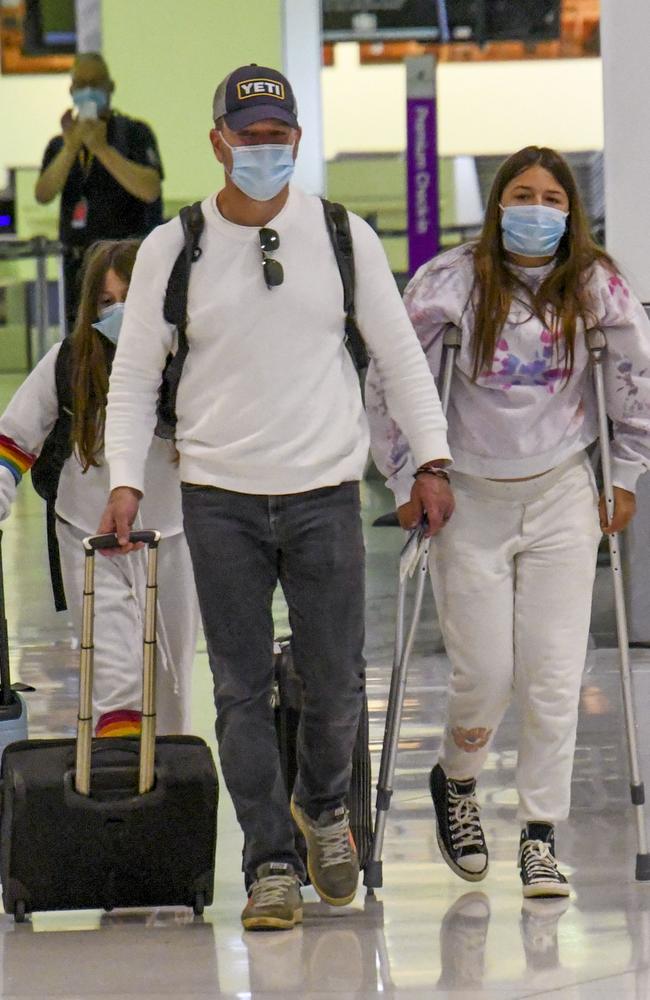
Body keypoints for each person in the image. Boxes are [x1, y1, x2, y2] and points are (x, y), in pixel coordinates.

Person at [97, 63, 454, 931]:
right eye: (249, 135)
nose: (266, 149)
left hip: (325, 489)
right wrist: (124, 483)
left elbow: (399, 353)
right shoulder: (170, 248)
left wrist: (432, 459)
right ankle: (269, 862)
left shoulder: (341, 234)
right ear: (217, 139)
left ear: (297, 137)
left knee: (335, 685)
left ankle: (325, 808)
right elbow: (137, 375)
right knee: (241, 689)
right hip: (217, 493)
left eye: (279, 135)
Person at [367, 145, 650, 899]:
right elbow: (393, 378)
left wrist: (623, 475)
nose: (537, 209)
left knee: (554, 675)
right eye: (522, 194)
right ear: (497, 204)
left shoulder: (597, 285)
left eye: (552, 198)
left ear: (570, 212)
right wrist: (407, 473)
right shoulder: (449, 282)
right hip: (469, 494)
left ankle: (540, 835)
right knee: (486, 675)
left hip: (561, 489)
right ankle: (456, 778)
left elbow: (633, 381)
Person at [0, 239, 198, 737]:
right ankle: (122, 792)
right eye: (107, 302)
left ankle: (170, 796)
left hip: (174, 538)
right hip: (90, 543)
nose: (120, 311)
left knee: (171, 689)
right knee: (116, 680)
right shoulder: (66, 362)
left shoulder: (190, 363)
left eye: (131, 295)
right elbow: (12, 441)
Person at [35, 53, 164, 325]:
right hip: (79, 267)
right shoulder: (61, 145)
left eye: (95, 83)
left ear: (110, 86)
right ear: (71, 90)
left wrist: (101, 149)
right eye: (81, 84)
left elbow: (150, 189)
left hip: (126, 265)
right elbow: (43, 193)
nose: (88, 90)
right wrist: (72, 147)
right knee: (81, 348)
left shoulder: (133, 134)